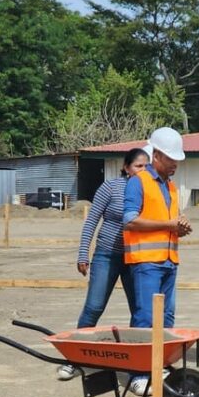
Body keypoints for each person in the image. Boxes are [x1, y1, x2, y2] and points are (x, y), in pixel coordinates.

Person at [57, 148, 149, 380]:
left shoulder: (149, 189)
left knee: (139, 312)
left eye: (147, 166)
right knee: (94, 306)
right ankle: (75, 360)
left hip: (135, 258)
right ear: (126, 167)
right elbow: (92, 222)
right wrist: (82, 255)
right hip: (107, 255)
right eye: (139, 165)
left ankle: (135, 366)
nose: (143, 170)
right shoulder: (111, 187)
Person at [122, 127, 192, 396]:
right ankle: (138, 375)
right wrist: (168, 223)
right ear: (158, 155)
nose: (176, 164)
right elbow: (129, 219)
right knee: (144, 317)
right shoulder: (138, 182)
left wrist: (180, 225)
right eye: (172, 159)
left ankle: (158, 367)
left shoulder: (171, 187)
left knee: (166, 318)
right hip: (146, 261)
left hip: (168, 260)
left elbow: (170, 221)